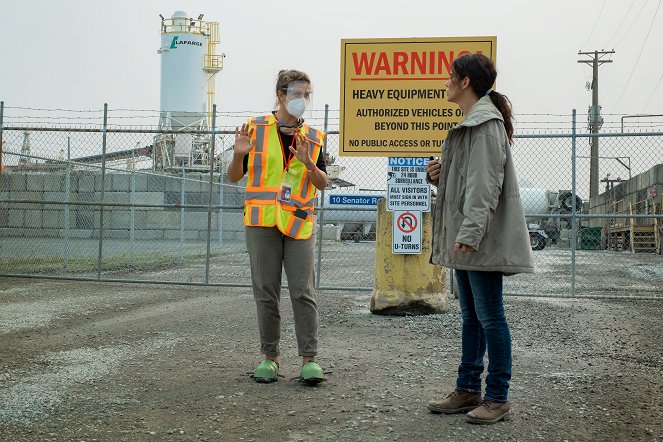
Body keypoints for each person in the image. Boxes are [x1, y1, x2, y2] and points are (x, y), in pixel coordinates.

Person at [425, 54, 534, 424]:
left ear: (465, 82)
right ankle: (468, 389)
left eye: (449, 77)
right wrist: (439, 176)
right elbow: (466, 184)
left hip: (477, 239)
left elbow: (485, 187)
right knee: (472, 317)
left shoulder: (485, 125)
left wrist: (469, 233)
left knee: (491, 318)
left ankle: (498, 397)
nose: (445, 82)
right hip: (467, 238)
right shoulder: (472, 124)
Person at [227, 69, 328, 385]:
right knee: (266, 292)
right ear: (281, 94)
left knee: (303, 291)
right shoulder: (254, 129)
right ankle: (270, 358)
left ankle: (309, 360)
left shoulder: (313, 137)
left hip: (298, 224)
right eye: (297, 93)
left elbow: (322, 182)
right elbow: (233, 176)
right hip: (261, 222)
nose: (303, 100)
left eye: (306, 94)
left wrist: (309, 163)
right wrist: (238, 154)